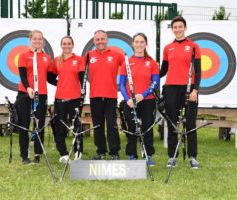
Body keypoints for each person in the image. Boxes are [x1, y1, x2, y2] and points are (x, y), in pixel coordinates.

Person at [160, 16, 201, 169]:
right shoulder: (167, 48)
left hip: (188, 89)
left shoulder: (194, 47)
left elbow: (198, 71)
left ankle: (192, 157)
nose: (177, 29)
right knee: (172, 123)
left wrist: (195, 90)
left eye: (180, 26)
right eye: (175, 27)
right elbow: (163, 71)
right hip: (171, 89)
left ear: (185, 28)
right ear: (172, 29)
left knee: (190, 123)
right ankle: (172, 157)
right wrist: (148, 76)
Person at [82, 30, 124, 160]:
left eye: (102, 39)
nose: (100, 41)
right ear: (94, 42)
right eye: (97, 39)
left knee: (112, 124)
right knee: (98, 125)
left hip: (111, 96)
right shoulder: (89, 55)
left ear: (107, 40)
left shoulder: (117, 55)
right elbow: (79, 71)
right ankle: (101, 151)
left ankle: (114, 152)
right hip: (95, 96)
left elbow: (129, 68)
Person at [119, 33, 159, 166]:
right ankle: (132, 154)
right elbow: (121, 84)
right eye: (137, 42)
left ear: (145, 44)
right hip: (130, 102)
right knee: (132, 127)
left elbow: (155, 83)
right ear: (133, 44)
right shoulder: (127, 62)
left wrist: (143, 95)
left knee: (147, 127)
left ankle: (148, 155)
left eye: (142, 42)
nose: (139, 44)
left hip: (147, 100)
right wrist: (127, 99)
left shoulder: (152, 62)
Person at [16, 30, 52, 164]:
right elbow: (23, 75)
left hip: (41, 95)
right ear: (30, 40)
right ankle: (24, 156)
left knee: (39, 124)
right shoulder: (23, 55)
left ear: (43, 41)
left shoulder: (46, 58)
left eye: (40, 39)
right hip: (25, 93)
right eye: (35, 39)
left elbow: (50, 78)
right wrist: (28, 88)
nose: (38, 41)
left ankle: (37, 154)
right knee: (24, 125)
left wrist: (66, 81)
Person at [51, 36, 84, 163]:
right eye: (64, 44)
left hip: (75, 98)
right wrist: (59, 84)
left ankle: (78, 152)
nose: (66, 46)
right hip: (60, 98)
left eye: (69, 43)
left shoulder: (79, 60)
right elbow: (51, 76)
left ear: (73, 45)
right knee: (60, 127)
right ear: (61, 45)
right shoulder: (57, 60)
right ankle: (63, 154)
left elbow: (82, 79)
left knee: (76, 126)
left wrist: (82, 95)